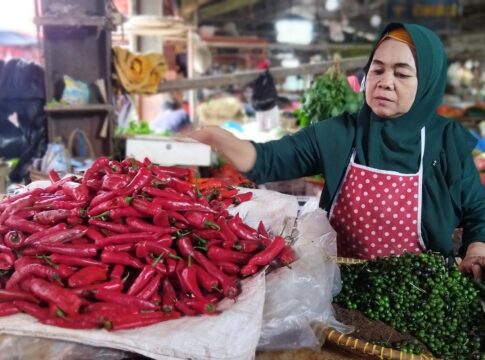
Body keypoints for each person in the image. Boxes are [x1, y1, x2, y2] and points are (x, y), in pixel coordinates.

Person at [188, 23, 485, 281]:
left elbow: (478, 211)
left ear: (427, 84)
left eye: (402, 74)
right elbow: (269, 161)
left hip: (421, 292)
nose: (384, 81)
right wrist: (220, 138)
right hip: (339, 286)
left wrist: (476, 250)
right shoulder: (340, 134)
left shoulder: (447, 143)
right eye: (377, 69)